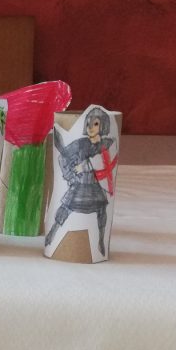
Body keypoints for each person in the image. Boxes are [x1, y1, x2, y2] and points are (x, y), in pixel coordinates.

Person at [44, 107, 117, 256]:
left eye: (95, 124)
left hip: (95, 187)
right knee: (64, 209)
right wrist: (70, 176)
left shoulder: (107, 144)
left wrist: (85, 165)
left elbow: (105, 162)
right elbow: (63, 157)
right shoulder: (80, 144)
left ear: (103, 125)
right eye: (88, 123)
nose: (91, 127)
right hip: (79, 185)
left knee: (102, 211)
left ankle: (101, 241)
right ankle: (51, 235)